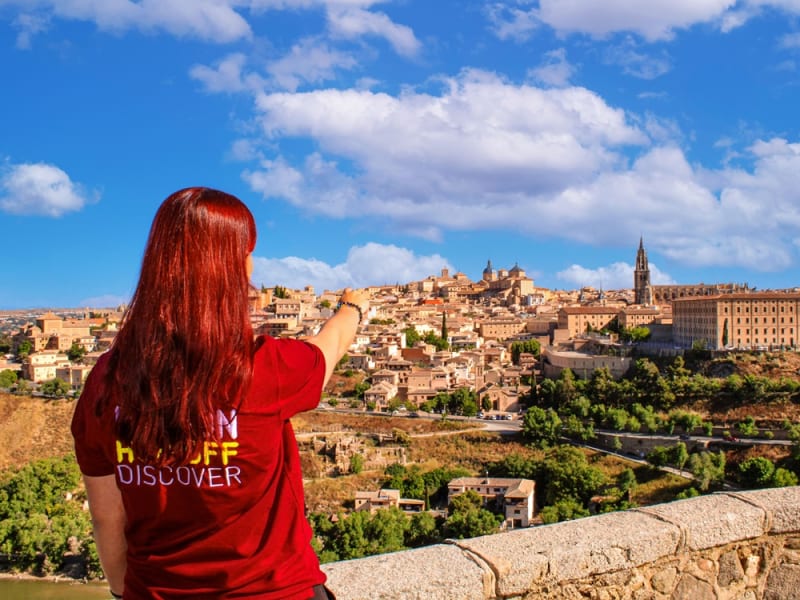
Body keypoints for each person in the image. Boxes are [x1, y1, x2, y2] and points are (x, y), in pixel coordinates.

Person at [71, 187, 368, 599]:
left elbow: (107, 517)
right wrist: (352, 307)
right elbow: (330, 347)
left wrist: (127, 593)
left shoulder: (106, 379)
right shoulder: (266, 367)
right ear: (234, 267)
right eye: (248, 253)